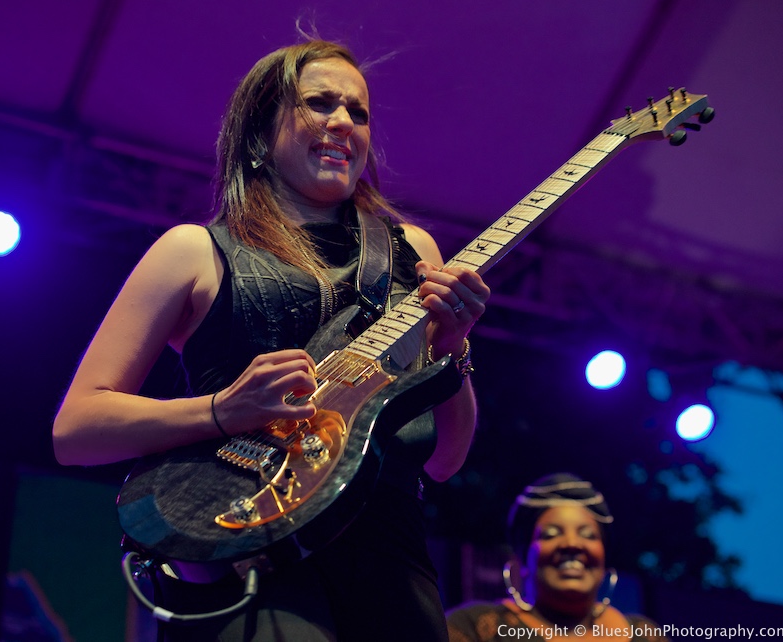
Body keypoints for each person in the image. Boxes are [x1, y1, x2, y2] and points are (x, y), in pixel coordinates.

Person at [52, 38, 490, 641]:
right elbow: (76, 431)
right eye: (320, 103)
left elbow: (444, 460)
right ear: (259, 134)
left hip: (390, 555)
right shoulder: (192, 252)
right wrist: (221, 410)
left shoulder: (412, 251)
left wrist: (453, 347)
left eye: (357, 112)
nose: (343, 122)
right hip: (239, 538)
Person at [446, 473, 667, 641]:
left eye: (588, 535)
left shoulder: (643, 635)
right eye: (551, 534)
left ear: (603, 558)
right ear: (523, 558)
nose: (572, 544)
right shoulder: (474, 628)